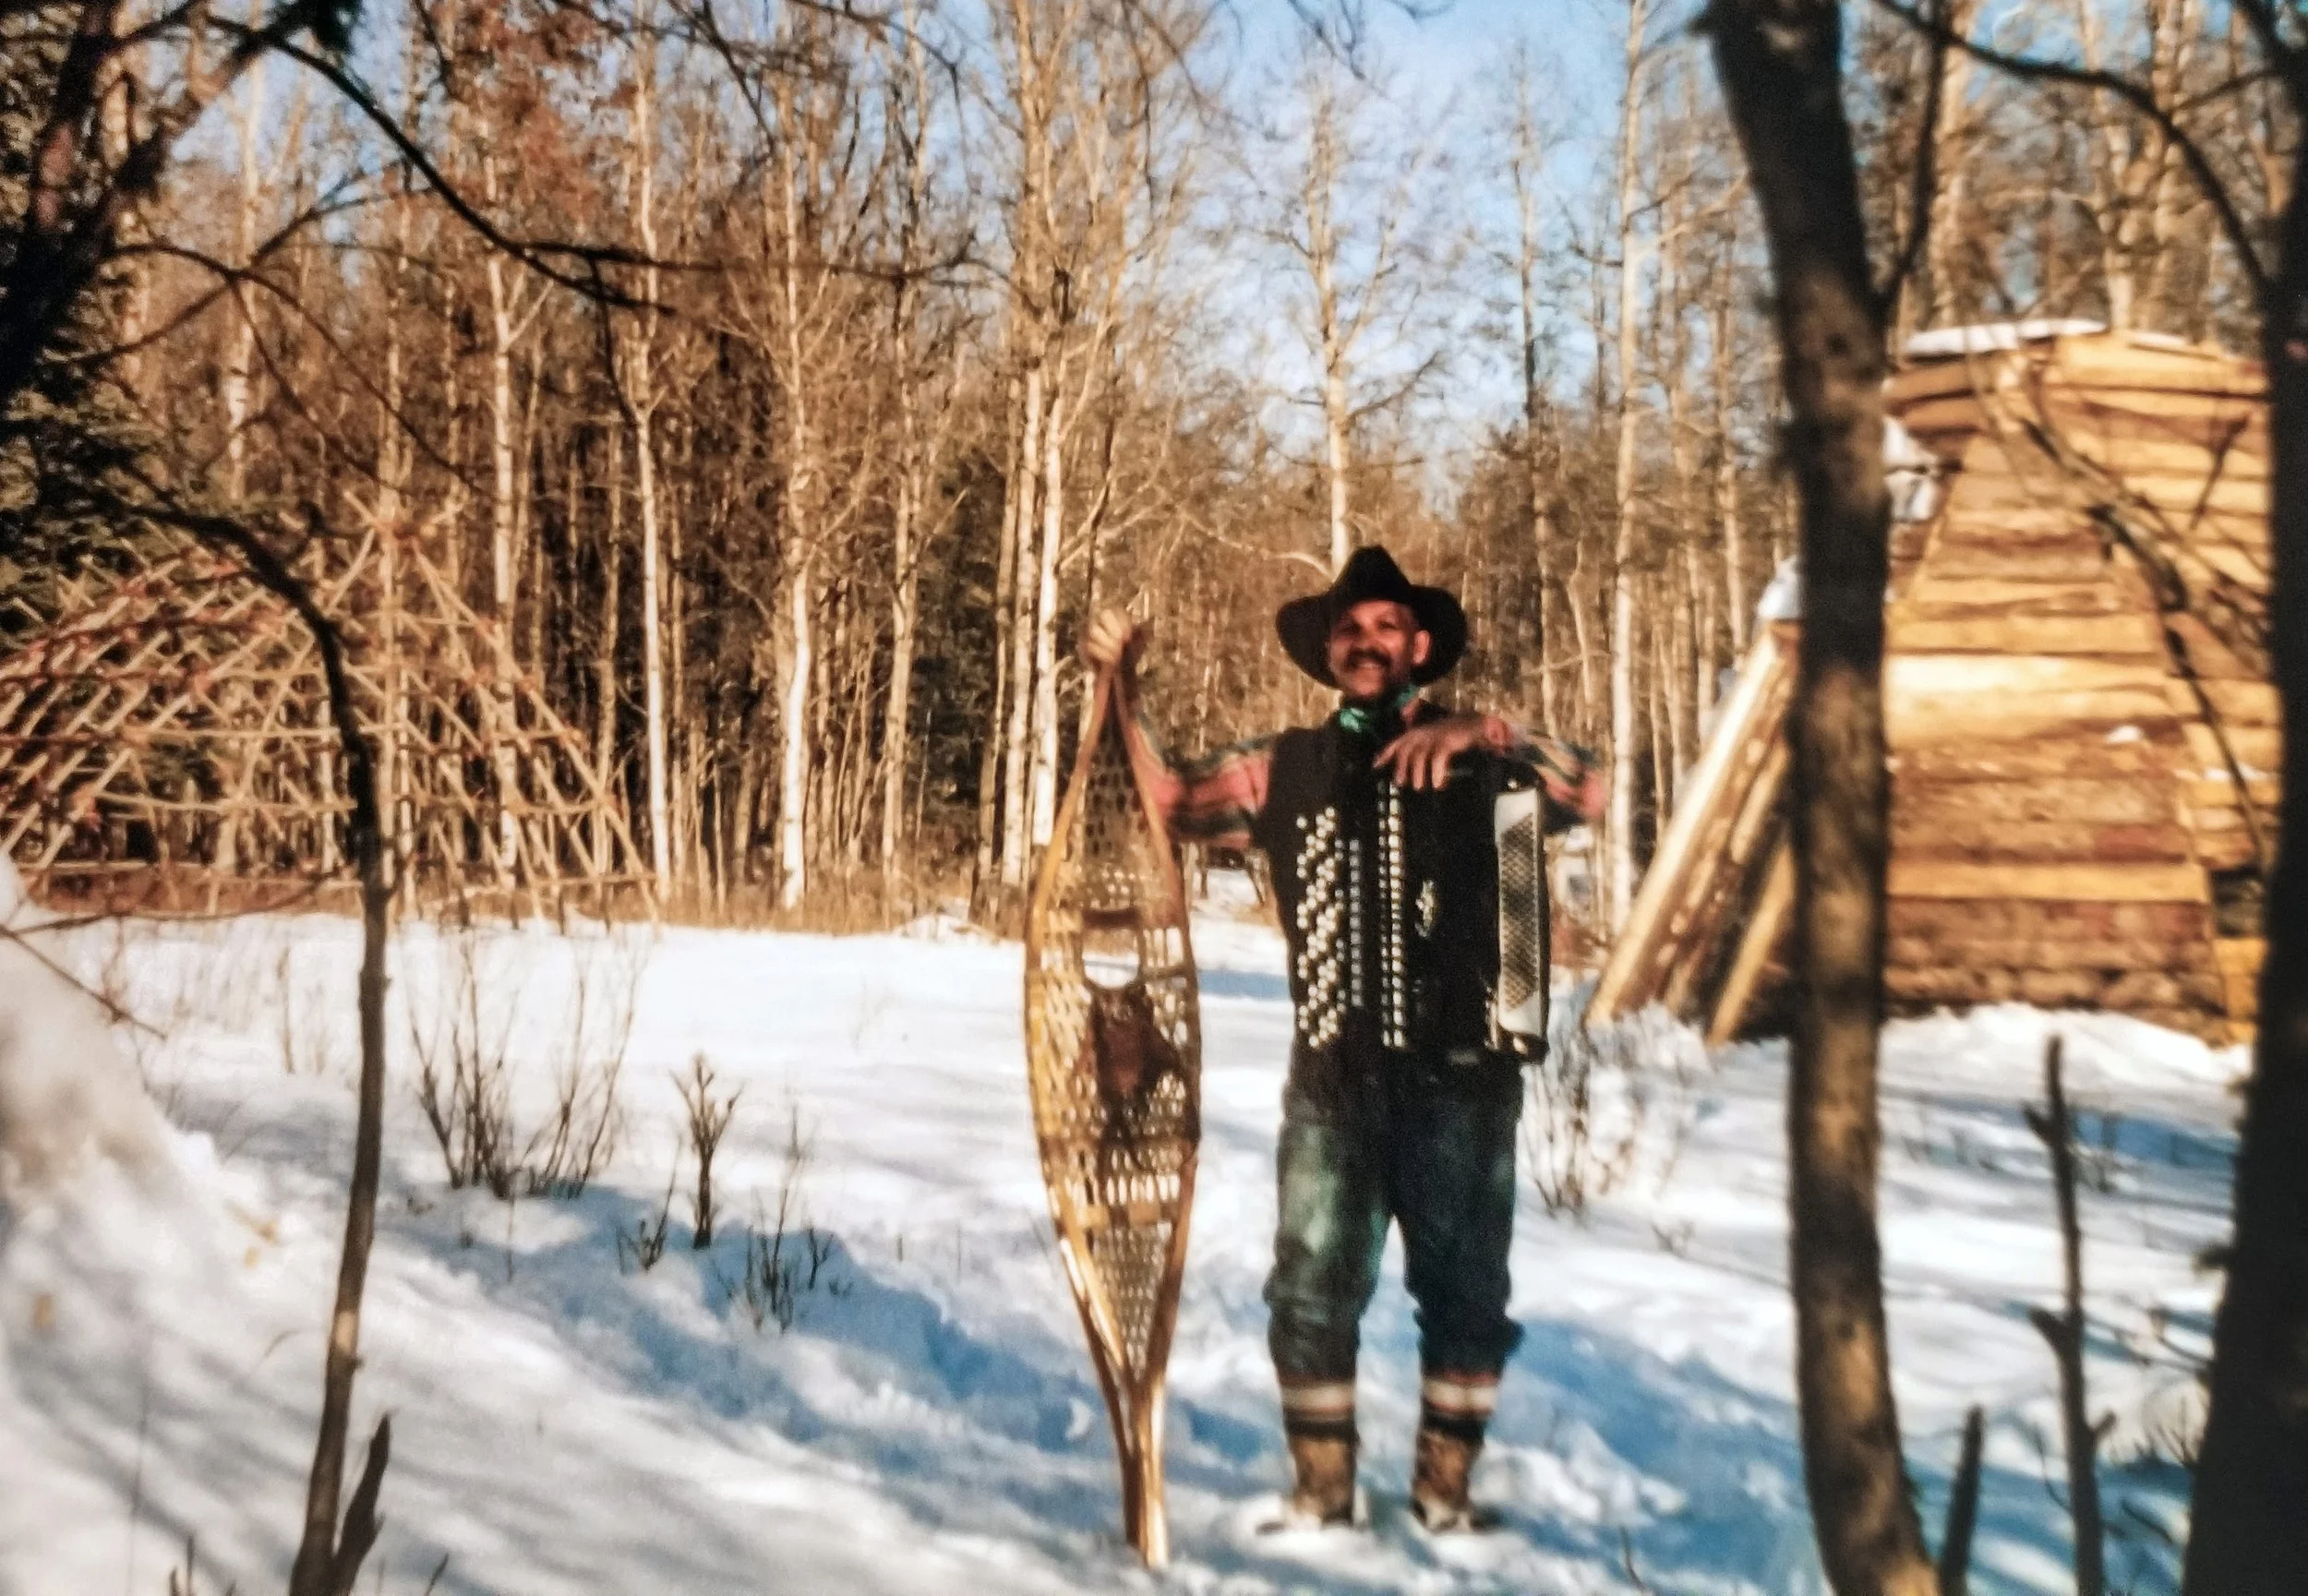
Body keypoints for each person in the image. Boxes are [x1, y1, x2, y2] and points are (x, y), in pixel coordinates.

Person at [1081, 545, 1602, 1532]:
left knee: (1465, 1294)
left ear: (1418, 645)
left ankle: (1444, 1498)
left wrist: (1484, 727)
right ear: (1327, 652)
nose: (1368, 643)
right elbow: (1163, 801)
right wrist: (1120, 682)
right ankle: (1322, 1498)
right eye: (1350, 630)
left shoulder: (1487, 752)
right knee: (1311, 1289)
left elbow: (1588, 794)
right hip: (1334, 1077)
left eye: (1385, 627)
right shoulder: (1287, 766)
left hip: (1467, 1075)